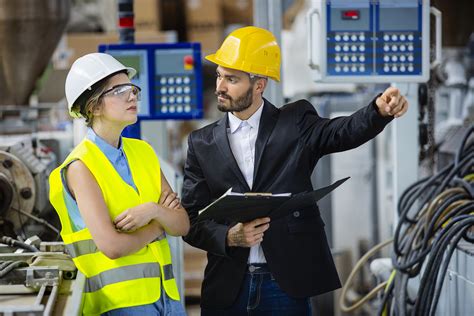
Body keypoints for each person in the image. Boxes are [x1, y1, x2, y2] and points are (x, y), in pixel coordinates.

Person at [181, 26, 408, 315]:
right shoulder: (201, 143)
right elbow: (190, 219)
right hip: (228, 286)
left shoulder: (295, 121)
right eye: (219, 75)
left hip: (284, 283)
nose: (220, 86)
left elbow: (341, 132)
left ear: (259, 85)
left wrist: (378, 111)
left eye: (232, 79)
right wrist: (228, 236)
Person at [48, 53, 189, 315]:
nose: (132, 96)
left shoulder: (143, 152)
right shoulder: (81, 166)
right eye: (120, 91)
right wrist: (159, 225)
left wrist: (153, 211)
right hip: (119, 305)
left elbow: (182, 224)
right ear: (94, 106)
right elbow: (112, 246)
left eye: (132, 89)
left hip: (167, 298)